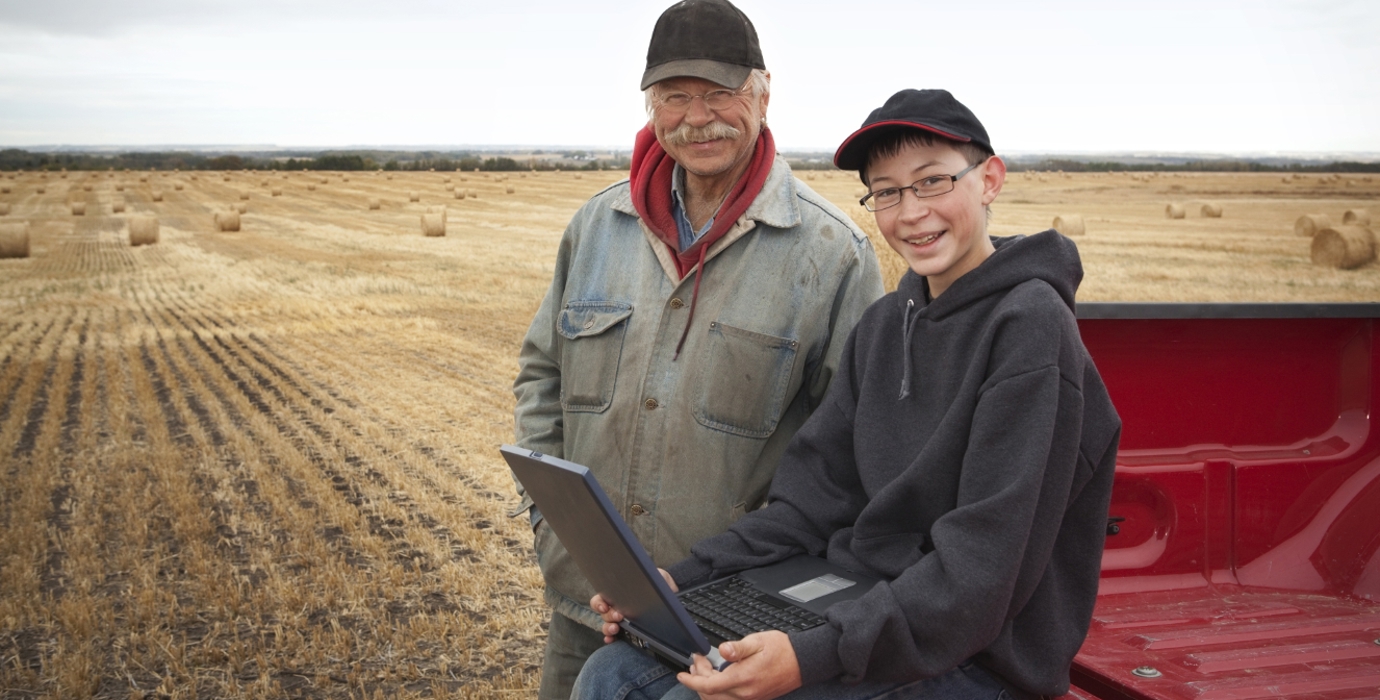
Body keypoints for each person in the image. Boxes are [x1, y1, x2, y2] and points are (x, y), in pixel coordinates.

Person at [573, 89, 1122, 700]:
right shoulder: (888, 324)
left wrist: (812, 655)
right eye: (886, 191)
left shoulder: (1030, 326)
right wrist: (677, 580)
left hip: (978, 656)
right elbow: (811, 502)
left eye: (932, 181)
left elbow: (981, 572)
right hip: (865, 609)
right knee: (612, 673)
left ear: (989, 180)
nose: (910, 212)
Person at [510, 0, 885, 696]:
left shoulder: (833, 254)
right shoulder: (596, 226)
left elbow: (848, 451)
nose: (697, 116)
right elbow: (540, 376)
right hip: (588, 597)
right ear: (650, 105)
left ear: (763, 93)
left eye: (720, 93)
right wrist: (554, 520)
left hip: (729, 611)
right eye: (675, 96)